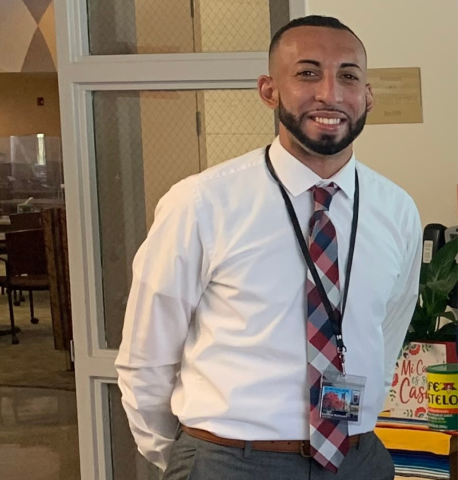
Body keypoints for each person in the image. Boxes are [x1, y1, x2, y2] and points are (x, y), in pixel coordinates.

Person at [116, 15, 422, 480]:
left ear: (368, 96)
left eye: (348, 76)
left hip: (357, 460)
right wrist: (191, 459)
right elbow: (147, 358)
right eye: (307, 73)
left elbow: (389, 334)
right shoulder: (202, 204)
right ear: (268, 90)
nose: (330, 94)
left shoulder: (396, 210)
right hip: (229, 461)